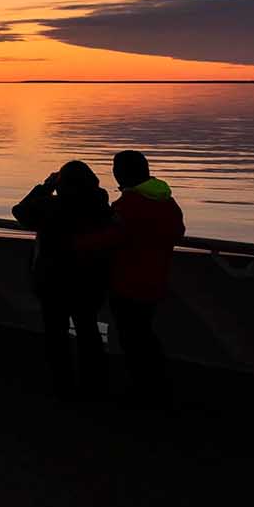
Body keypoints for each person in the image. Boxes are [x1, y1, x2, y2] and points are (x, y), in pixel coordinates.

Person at [79, 150, 186, 406]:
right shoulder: (167, 202)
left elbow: (107, 239)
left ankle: (145, 391)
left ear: (123, 173)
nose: (114, 172)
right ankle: (156, 387)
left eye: (116, 168)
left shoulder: (127, 206)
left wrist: (73, 243)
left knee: (133, 338)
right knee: (144, 335)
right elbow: (177, 232)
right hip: (156, 280)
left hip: (128, 283)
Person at [12, 160, 114, 397]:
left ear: (62, 184)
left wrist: (45, 186)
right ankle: (95, 383)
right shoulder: (101, 206)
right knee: (88, 331)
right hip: (90, 281)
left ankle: (63, 384)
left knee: (56, 334)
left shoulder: (51, 206)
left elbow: (20, 211)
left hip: (53, 282)